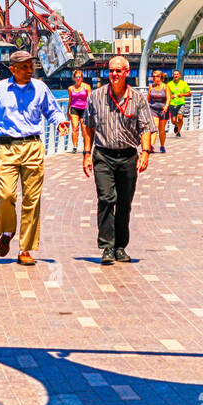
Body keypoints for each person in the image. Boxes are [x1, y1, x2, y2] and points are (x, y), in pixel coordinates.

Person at [0, 49, 69, 266]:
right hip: (6, 148)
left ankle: (25, 249)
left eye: (31, 66)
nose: (29, 70)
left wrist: (60, 121)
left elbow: (52, 110)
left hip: (33, 146)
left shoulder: (41, 88)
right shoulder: (0, 89)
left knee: (31, 201)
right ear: (12, 69)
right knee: (6, 195)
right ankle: (7, 232)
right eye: (24, 67)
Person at [83, 56, 156, 266]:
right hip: (103, 155)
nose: (114, 74)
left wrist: (145, 153)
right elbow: (88, 126)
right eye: (111, 71)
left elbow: (145, 127)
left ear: (127, 72)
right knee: (106, 198)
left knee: (124, 203)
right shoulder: (96, 97)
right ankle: (106, 247)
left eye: (118, 71)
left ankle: (120, 247)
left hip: (128, 156)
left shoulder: (138, 99)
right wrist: (87, 154)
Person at [66, 69, 90, 152]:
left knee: (84, 129)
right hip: (74, 108)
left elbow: (90, 99)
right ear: (74, 78)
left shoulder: (86, 87)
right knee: (75, 127)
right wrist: (67, 111)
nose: (78, 78)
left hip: (84, 109)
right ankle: (75, 147)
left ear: (82, 78)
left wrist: (91, 111)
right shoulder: (70, 88)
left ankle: (85, 144)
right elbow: (70, 100)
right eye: (76, 77)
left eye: (79, 77)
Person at [147, 69, 171, 152]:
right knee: (154, 127)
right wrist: (149, 92)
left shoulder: (165, 87)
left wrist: (166, 106)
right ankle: (151, 145)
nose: (154, 78)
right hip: (153, 109)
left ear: (160, 77)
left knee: (162, 130)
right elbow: (148, 99)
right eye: (153, 76)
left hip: (163, 111)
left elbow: (169, 98)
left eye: (156, 76)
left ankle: (162, 146)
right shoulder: (151, 86)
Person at [168, 69, 191, 138]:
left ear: (180, 75)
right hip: (172, 104)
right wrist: (170, 96)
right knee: (173, 120)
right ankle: (176, 125)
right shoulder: (169, 84)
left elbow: (189, 94)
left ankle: (178, 132)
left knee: (180, 118)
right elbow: (167, 93)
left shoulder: (184, 83)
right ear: (173, 76)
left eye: (177, 74)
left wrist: (182, 95)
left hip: (181, 103)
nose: (176, 75)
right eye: (175, 74)